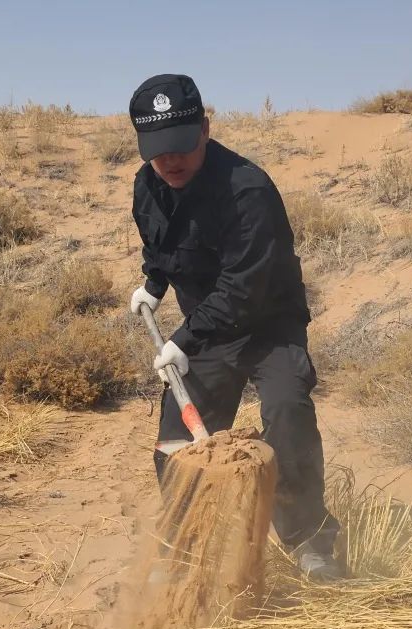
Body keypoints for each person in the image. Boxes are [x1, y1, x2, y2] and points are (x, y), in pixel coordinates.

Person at [128, 73, 345, 581]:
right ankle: (187, 544)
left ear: (205, 128)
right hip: (208, 327)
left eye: (181, 146)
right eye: (158, 151)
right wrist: (155, 283)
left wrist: (182, 340)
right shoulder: (148, 183)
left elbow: (243, 288)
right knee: (178, 441)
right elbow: (161, 244)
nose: (170, 161)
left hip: (269, 322)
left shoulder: (247, 189)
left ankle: (310, 541)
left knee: (288, 413)